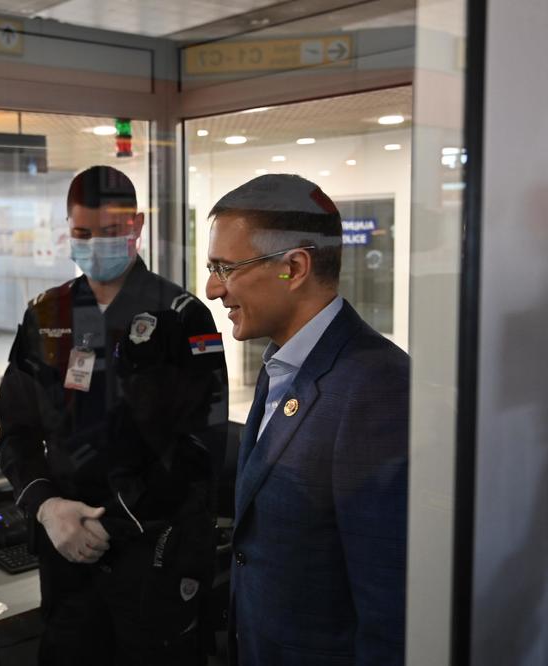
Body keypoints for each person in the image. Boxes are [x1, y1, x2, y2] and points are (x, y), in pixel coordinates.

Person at [0, 165, 229, 666]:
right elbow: (14, 431)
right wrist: (46, 507)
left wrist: (110, 525)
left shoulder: (182, 317)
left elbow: (201, 447)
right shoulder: (47, 314)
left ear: (137, 226)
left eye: (109, 233)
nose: (94, 244)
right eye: (81, 234)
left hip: (154, 558)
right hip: (66, 556)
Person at [204, 174, 409, 665]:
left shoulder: (376, 392)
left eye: (226, 268)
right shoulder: (284, 365)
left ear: (293, 268)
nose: (213, 289)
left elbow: (389, 609)